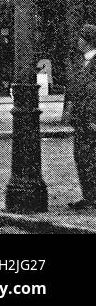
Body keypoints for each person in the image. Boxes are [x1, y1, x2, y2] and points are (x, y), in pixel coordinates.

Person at [65, 24, 96, 211]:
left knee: (90, 157)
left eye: (80, 37)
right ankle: (89, 195)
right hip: (82, 119)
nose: (78, 41)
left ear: (88, 41)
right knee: (81, 157)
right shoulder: (81, 62)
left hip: (92, 120)